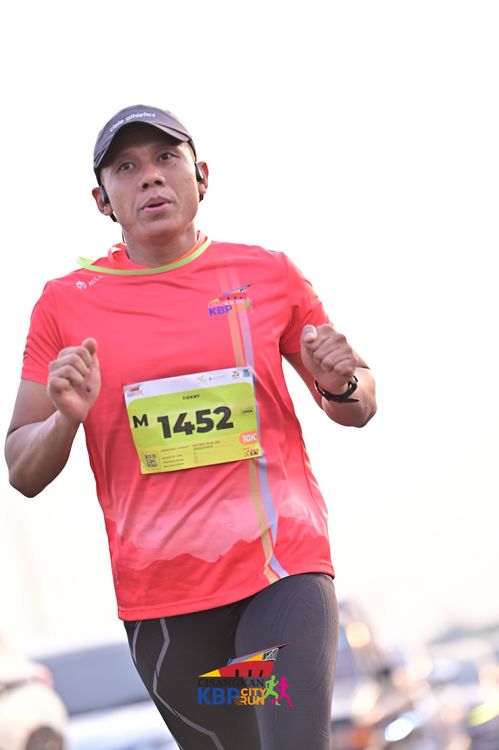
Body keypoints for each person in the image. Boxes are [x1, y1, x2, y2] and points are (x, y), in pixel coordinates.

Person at [5, 104, 376, 750]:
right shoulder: (66, 305)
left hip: (279, 574)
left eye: (165, 158)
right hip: (168, 614)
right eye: (127, 167)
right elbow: (21, 469)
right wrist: (66, 417)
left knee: (290, 737)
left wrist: (342, 382)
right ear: (102, 200)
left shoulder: (266, 275)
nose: (150, 177)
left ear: (201, 176)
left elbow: (358, 403)